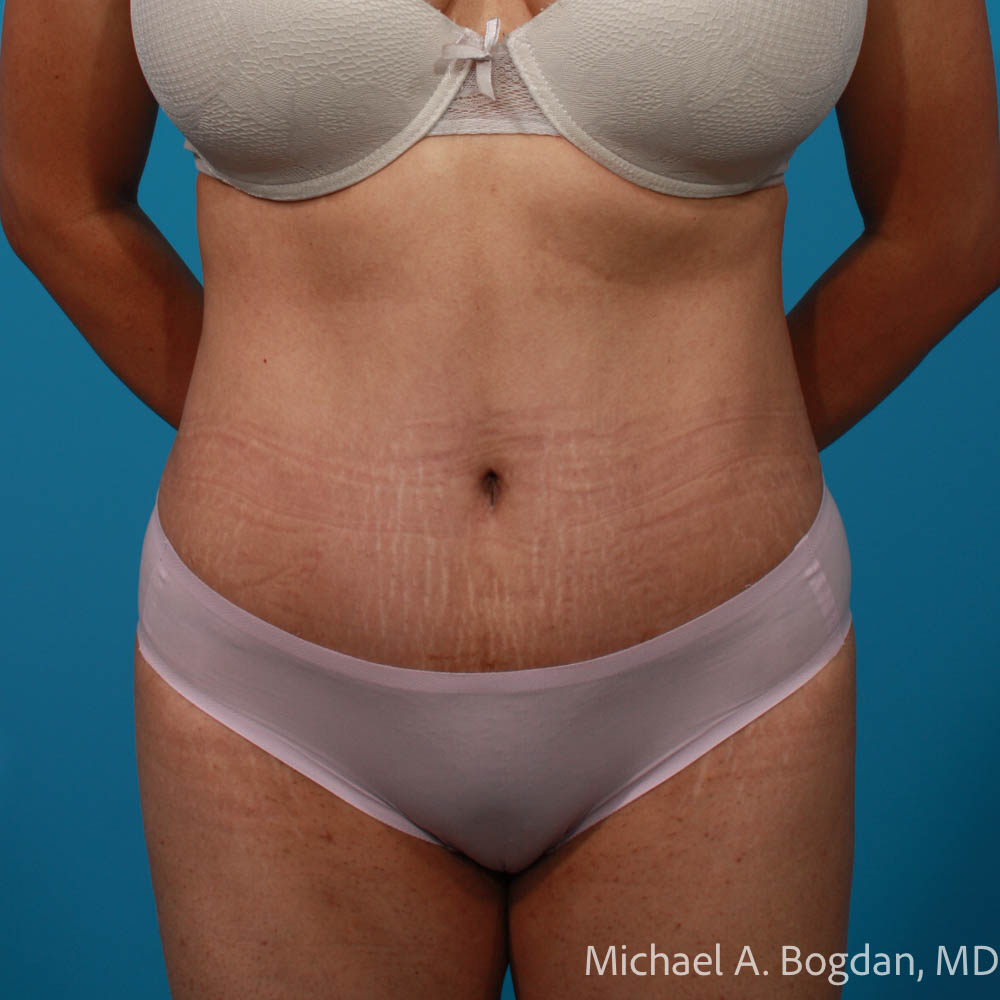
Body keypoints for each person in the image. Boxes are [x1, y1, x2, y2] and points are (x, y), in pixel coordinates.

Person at [1, 0, 998, 997]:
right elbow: (50, 190)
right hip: (268, 695)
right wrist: (263, 435)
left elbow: (951, 227)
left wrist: (718, 448)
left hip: (720, 684)